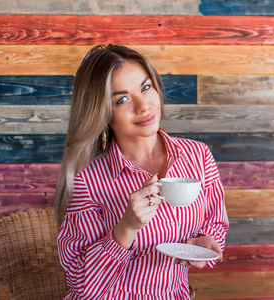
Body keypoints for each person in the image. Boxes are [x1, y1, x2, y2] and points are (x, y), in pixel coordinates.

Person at [54, 44, 229, 300]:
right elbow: (81, 283)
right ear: (102, 112)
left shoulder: (198, 156)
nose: (143, 106)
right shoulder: (87, 180)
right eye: (121, 99)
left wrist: (205, 244)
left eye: (145, 88)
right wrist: (126, 228)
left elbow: (215, 223)